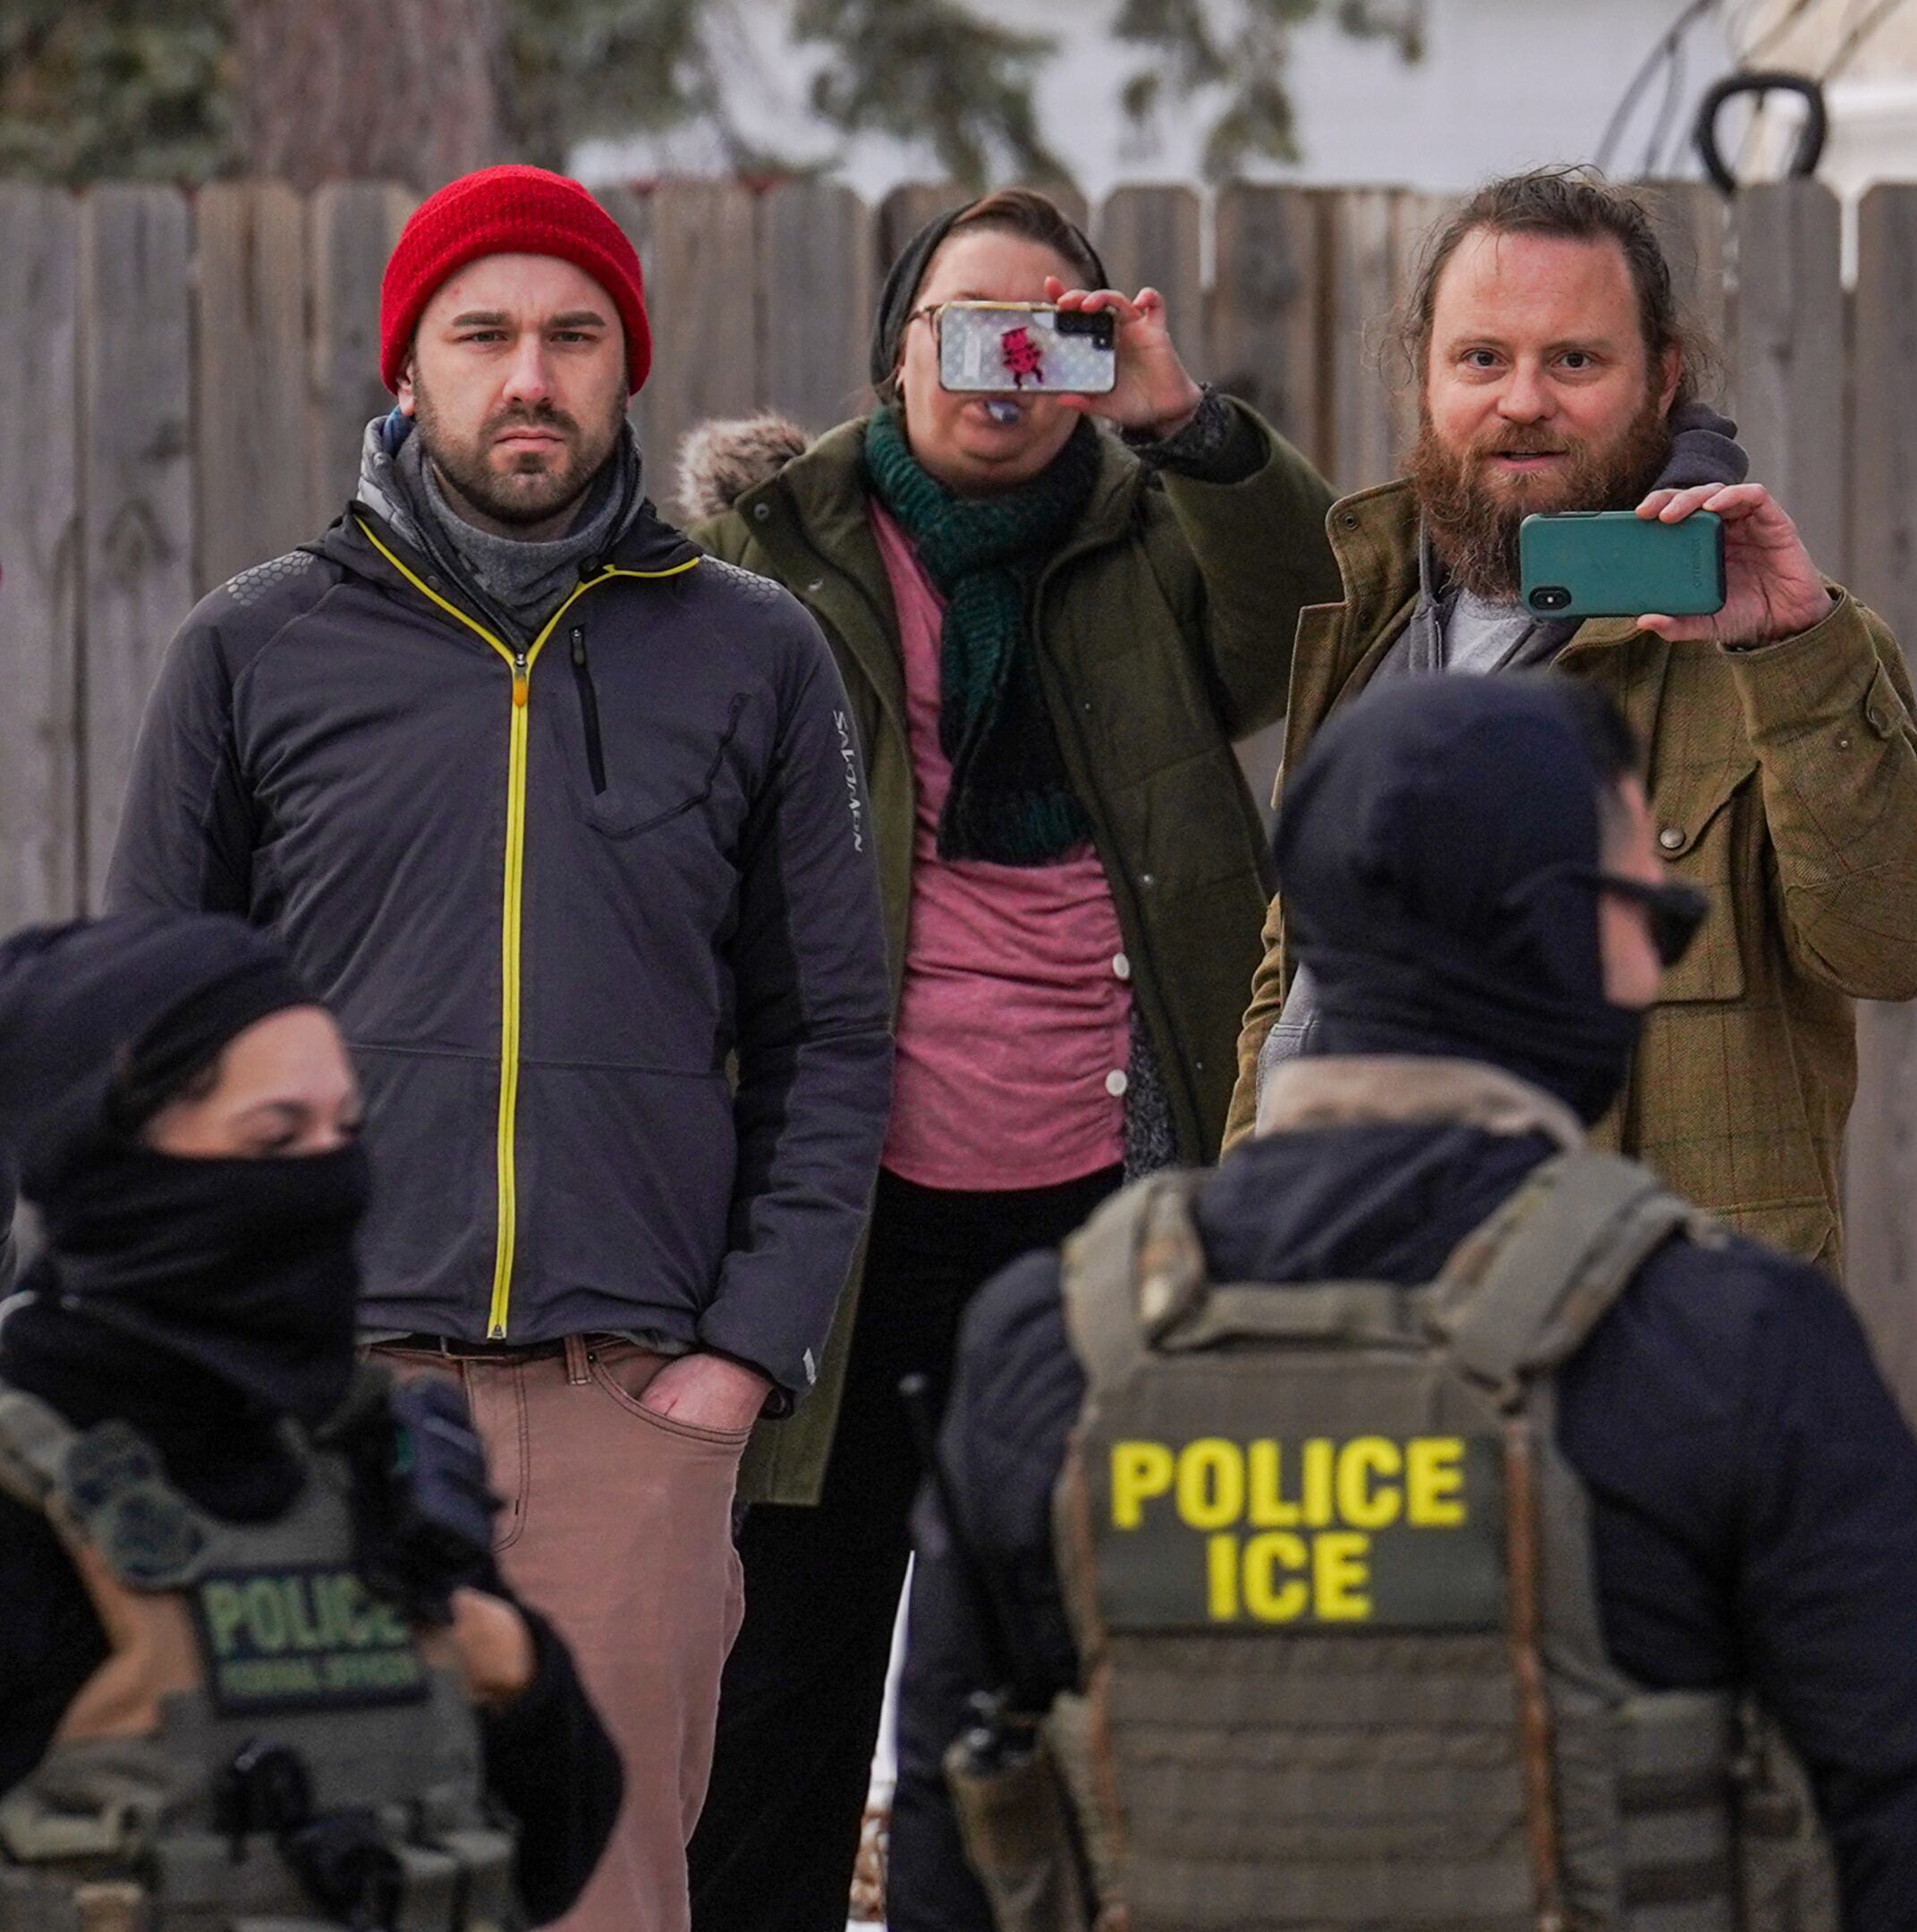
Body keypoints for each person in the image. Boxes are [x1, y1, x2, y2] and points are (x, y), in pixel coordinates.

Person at [883, 674, 1917, 1932]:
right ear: (1557, 934)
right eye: (1640, 906)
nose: (1658, 940)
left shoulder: (1050, 1342)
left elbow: (956, 1851)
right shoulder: (1728, 1340)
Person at [106, 164, 891, 1932]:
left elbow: (832, 1033)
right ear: (410, 370)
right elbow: (142, 1043)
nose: (527, 375)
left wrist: (741, 1360)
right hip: (325, 1410)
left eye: (571, 335)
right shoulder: (254, 649)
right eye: (483, 334)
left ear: (628, 365)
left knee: (604, 1896)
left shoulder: (754, 656)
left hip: (631, 1410)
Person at [672, 190, 1339, 1929]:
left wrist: (1187, 423)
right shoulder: (776, 550)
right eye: (966, 328)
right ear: (894, 351)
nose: (1001, 369)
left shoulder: (1154, 537)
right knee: (787, 1673)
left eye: (1045, 331)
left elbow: (1312, 626)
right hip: (837, 1213)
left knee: (1041, 1686)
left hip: (1098, 1213)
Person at [1221, 165, 1917, 1266]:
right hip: (1355, 1296)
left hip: (1644, 1340)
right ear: (1423, 377)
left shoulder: (1771, 644)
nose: (1524, 400)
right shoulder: (1366, 634)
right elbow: (1291, 986)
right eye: (1484, 358)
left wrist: (1791, 657)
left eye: (1575, 359)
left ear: (1660, 378)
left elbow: (1902, 947)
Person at [0, 910, 624, 1928]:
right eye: (276, 1137)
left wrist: (508, 1660)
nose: (328, 1178)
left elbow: (545, 1856)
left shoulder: (355, 1446)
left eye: (345, 1131)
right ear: (117, 1162)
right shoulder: (26, 1479)